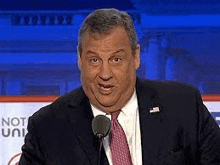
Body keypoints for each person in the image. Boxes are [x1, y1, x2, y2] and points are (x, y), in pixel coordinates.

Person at [19, 8, 220, 165]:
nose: (105, 74)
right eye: (94, 60)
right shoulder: (47, 128)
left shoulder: (183, 106)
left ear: (136, 57)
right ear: (80, 59)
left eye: (116, 59)